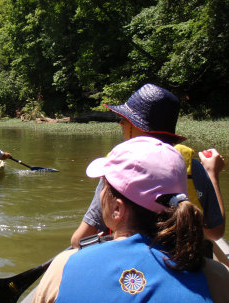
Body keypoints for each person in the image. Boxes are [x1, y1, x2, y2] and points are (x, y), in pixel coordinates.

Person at [33, 137, 229, 303]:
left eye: (103, 187)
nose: (100, 195)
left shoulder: (64, 268)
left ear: (117, 208)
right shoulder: (217, 278)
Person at [71, 83, 225, 247]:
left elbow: (79, 240)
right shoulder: (193, 168)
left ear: (139, 128)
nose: (121, 124)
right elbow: (215, 232)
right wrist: (212, 174)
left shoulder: (116, 169)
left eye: (125, 120)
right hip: (182, 257)